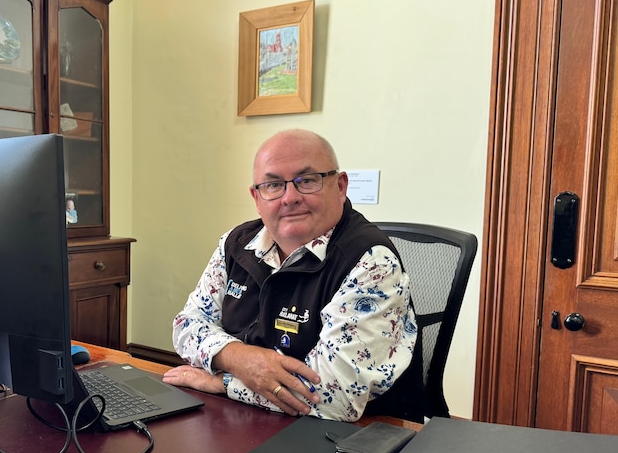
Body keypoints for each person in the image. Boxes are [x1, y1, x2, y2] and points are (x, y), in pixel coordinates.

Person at [164, 129, 426, 422]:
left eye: (307, 180)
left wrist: (224, 382)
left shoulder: (370, 262)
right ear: (257, 196)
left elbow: (332, 400)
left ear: (340, 186)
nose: (290, 197)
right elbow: (187, 326)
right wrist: (239, 358)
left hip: (361, 440)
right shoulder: (235, 244)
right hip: (248, 420)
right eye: (273, 184)